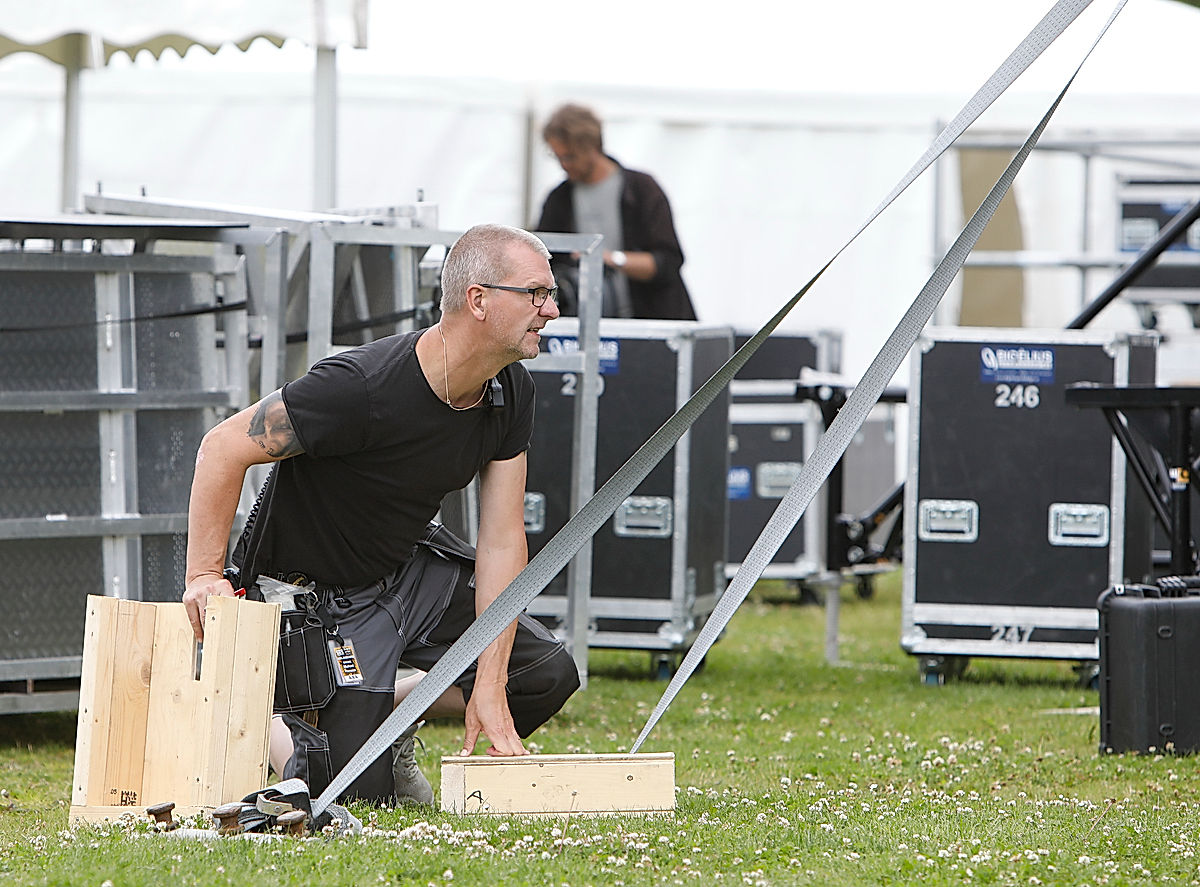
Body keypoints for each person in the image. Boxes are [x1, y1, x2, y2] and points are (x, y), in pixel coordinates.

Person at [181, 223, 580, 806]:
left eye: (550, 294)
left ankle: (388, 711)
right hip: (314, 594)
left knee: (542, 675)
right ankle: (280, 719)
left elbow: (501, 539)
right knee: (349, 796)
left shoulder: (509, 390)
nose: (551, 310)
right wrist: (203, 576)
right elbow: (221, 448)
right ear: (478, 299)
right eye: (536, 294)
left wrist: (490, 684)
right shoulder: (359, 387)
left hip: (406, 572)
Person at [535, 102, 698, 321]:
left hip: (650, 323)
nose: (564, 164)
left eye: (570, 156)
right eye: (558, 157)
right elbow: (541, 259)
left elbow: (668, 261)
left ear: (593, 147)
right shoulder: (559, 199)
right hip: (583, 325)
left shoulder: (642, 189)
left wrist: (611, 259)